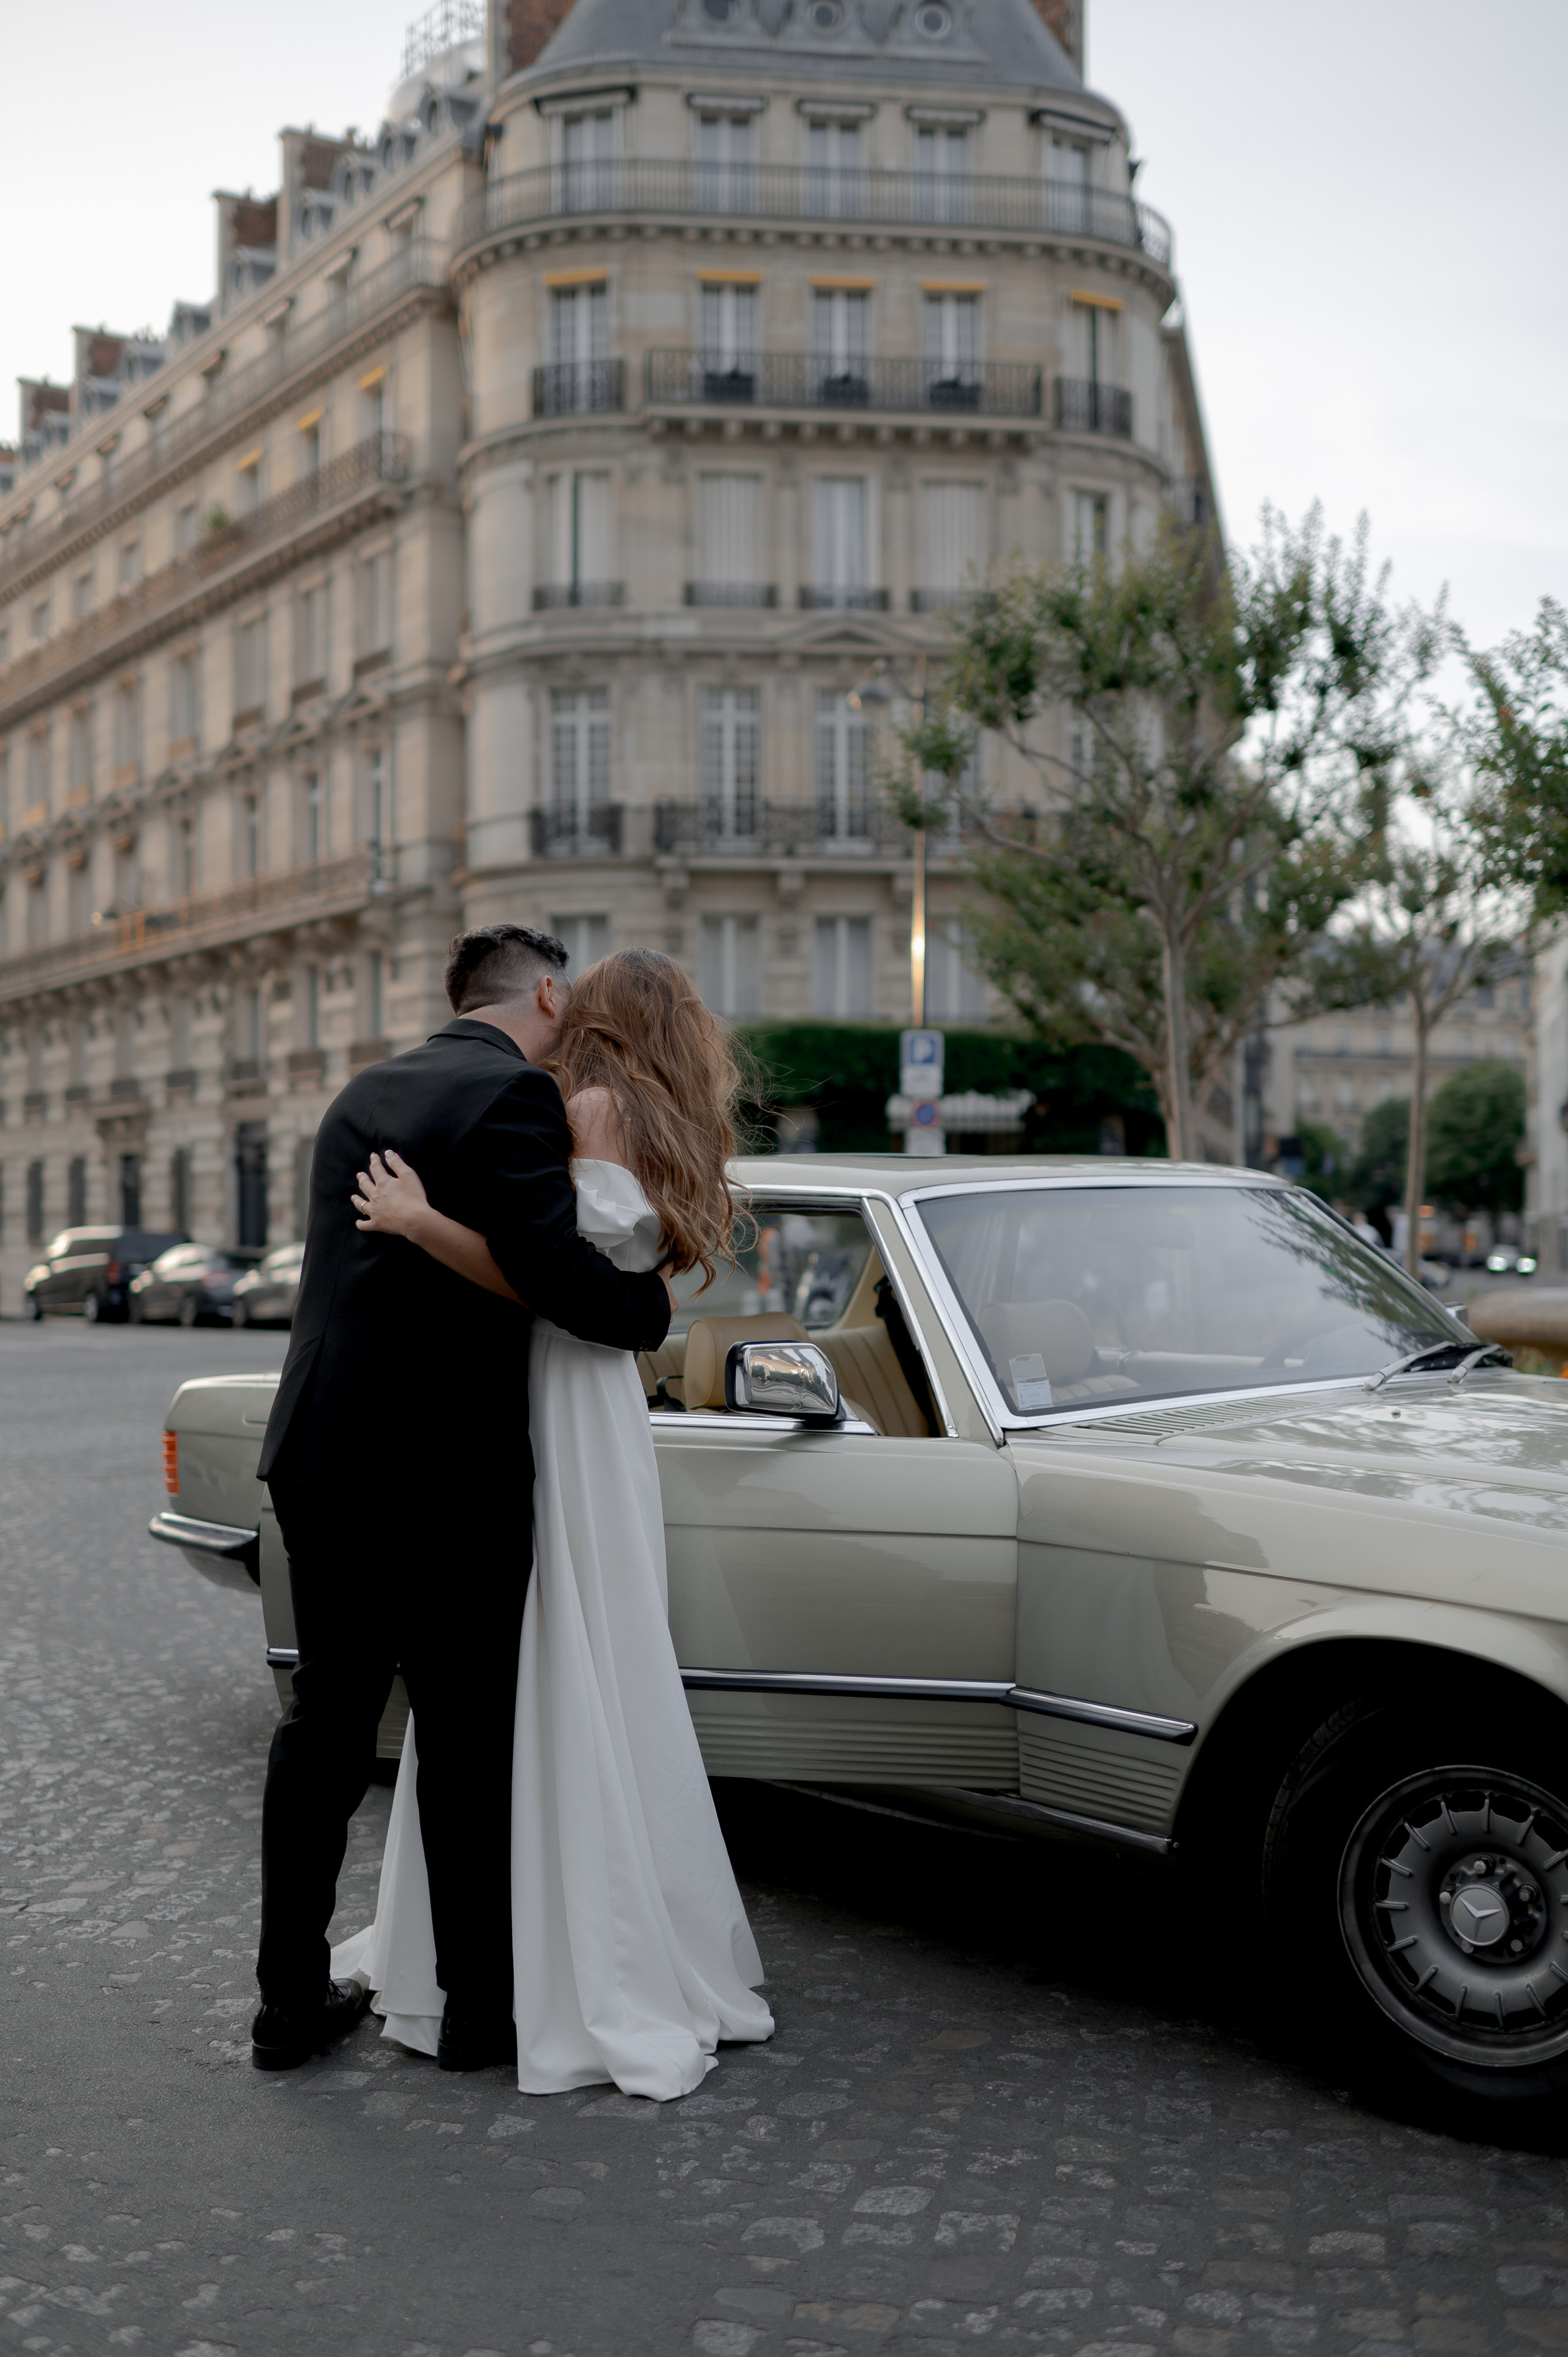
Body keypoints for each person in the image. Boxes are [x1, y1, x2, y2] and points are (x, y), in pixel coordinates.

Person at [332, 947, 774, 2099]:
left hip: (551, 1392)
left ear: (603, 1021)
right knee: (597, 1649)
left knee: (525, 1654)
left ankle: (529, 1962)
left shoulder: (580, 1104)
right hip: (603, 1412)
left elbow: (549, 1278)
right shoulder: (664, 1117)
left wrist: (423, 1222)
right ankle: (595, 1934)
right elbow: (632, 1283)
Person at [251, 926, 673, 2074]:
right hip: (447, 1472)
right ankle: (480, 2011)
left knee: (325, 1724)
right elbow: (557, 1276)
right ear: (546, 990)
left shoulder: (363, 1093)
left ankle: (287, 2002)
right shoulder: (516, 1098)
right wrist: (648, 1315)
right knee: (467, 1736)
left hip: (323, 1453)